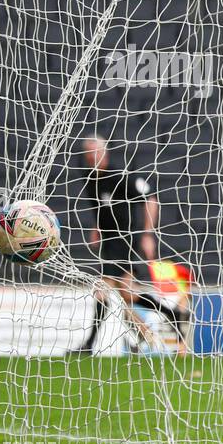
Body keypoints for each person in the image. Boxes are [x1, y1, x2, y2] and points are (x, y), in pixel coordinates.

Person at [76, 135, 188, 354]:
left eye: (95, 152)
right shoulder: (89, 178)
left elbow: (151, 198)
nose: (92, 156)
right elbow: (101, 208)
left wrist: (148, 234)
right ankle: (172, 314)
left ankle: (89, 344)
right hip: (108, 242)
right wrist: (97, 227)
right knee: (129, 294)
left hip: (123, 241)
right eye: (88, 153)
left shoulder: (120, 177)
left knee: (101, 291)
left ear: (104, 152)